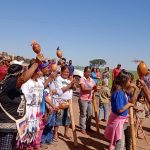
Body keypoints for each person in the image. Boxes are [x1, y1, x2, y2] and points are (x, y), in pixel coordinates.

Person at [0, 60, 39, 150]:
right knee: (5, 147)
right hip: (7, 126)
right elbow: (22, 79)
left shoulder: (13, 84)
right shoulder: (10, 82)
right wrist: (36, 63)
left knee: (11, 147)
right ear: (18, 74)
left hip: (14, 125)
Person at [104, 70, 138, 150]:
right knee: (120, 143)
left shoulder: (124, 92)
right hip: (118, 120)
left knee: (120, 141)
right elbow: (120, 110)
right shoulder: (119, 93)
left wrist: (136, 90)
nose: (132, 83)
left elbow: (132, 101)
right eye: (130, 81)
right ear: (124, 81)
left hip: (123, 120)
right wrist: (129, 105)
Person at [52, 65, 76, 141]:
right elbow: (60, 90)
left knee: (68, 118)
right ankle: (55, 134)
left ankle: (66, 134)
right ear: (61, 72)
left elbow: (74, 88)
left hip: (68, 102)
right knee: (58, 118)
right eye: (65, 72)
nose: (66, 73)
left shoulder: (69, 80)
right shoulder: (58, 79)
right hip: (60, 101)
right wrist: (69, 85)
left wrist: (73, 83)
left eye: (68, 72)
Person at [78, 66, 97, 134]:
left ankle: (88, 127)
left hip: (89, 99)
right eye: (87, 72)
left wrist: (96, 88)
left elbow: (95, 88)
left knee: (90, 114)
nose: (89, 73)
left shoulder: (92, 80)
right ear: (84, 72)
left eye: (90, 72)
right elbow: (83, 88)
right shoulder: (82, 79)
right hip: (83, 99)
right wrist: (92, 88)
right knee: (83, 114)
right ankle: (82, 128)